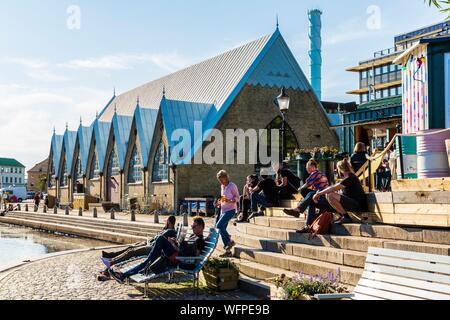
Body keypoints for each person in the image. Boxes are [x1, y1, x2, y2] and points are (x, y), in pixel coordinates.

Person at [109, 217, 206, 283]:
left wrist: (174, 246)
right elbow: (186, 249)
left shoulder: (200, 240)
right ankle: (123, 275)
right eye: (192, 226)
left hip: (179, 259)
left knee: (159, 241)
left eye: (194, 226)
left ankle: (123, 275)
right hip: (175, 254)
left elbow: (193, 256)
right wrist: (176, 242)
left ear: (201, 227)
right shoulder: (193, 236)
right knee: (150, 258)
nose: (192, 228)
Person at [283, 160, 335, 233]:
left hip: (324, 199)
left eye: (308, 167)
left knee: (306, 192)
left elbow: (307, 184)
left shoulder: (315, 174)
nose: (307, 169)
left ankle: (298, 210)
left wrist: (299, 189)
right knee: (311, 200)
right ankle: (307, 226)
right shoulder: (321, 174)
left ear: (313, 167)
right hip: (322, 198)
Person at [313, 158, 368, 225]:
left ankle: (346, 217)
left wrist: (318, 193)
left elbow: (333, 188)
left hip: (358, 205)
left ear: (340, 169)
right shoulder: (347, 177)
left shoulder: (350, 177)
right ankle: (343, 216)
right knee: (328, 195)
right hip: (352, 203)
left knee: (330, 195)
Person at [215, 170, 240, 258]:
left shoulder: (232, 186)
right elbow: (223, 198)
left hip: (231, 210)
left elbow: (237, 198)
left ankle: (229, 240)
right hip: (223, 210)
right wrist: (219, 203)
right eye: (219, 180)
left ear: (226, 177)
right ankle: (228, 251)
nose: (221, 182)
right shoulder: (222, 186)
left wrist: (230, 201)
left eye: (221, 179)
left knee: (218, 226)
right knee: (222, 231)